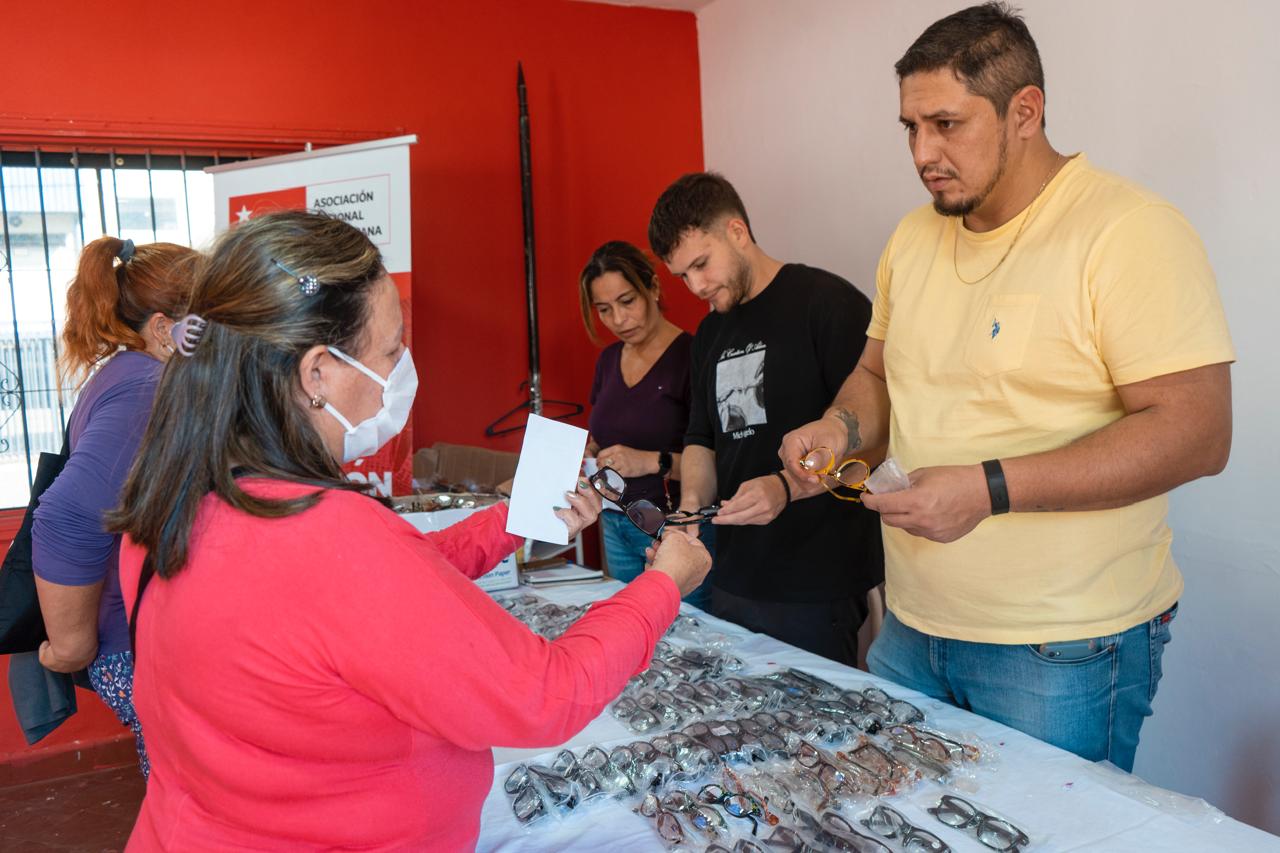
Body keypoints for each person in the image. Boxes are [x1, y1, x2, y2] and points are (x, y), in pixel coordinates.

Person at [106, 210, 711, 850]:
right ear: (317, 373)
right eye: (392, 350)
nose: (402, 370)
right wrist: (663, 583)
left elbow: (382, 585)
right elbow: (545, 694)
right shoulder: (329, 539)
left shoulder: (169, 503)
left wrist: (513, 520)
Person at [780, 2, 1234, 772]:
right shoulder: (914, 236)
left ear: (1026, 111)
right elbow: (875, 378)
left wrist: (989, 487)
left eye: (947, 124)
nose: (923, 152)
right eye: (909, 128)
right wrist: (841, 428)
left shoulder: (1127, 231)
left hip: (1061, 646)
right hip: (912, 625)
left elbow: (1197, 430)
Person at [647, 172, 884, 666]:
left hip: (816, 578)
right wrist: (690, 507)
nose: (695, 286)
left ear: (737, 232)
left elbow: (876, 436)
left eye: (701, 265)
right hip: (733, 572)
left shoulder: (827, 303)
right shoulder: (710, 333)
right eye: (682, 276)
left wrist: (786, 484)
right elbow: (702, 437)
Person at [31, 236, 198, 776]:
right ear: (161, 328)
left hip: (146, 638)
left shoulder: (134, 375)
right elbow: (67, 514)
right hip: (135, 647)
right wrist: (69, 647)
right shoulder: (145, 388)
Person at [580, 240, 714, 607]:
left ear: (653, 288)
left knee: (687, 639)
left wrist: (652, 461)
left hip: (674, 529)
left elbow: (719, 460)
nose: (618, 321)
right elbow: (605, 432)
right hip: (616, 522)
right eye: (604, 310)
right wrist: (588, 453)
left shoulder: (691, 356)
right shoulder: (608, 361)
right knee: (628, 634)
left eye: (627, 302)